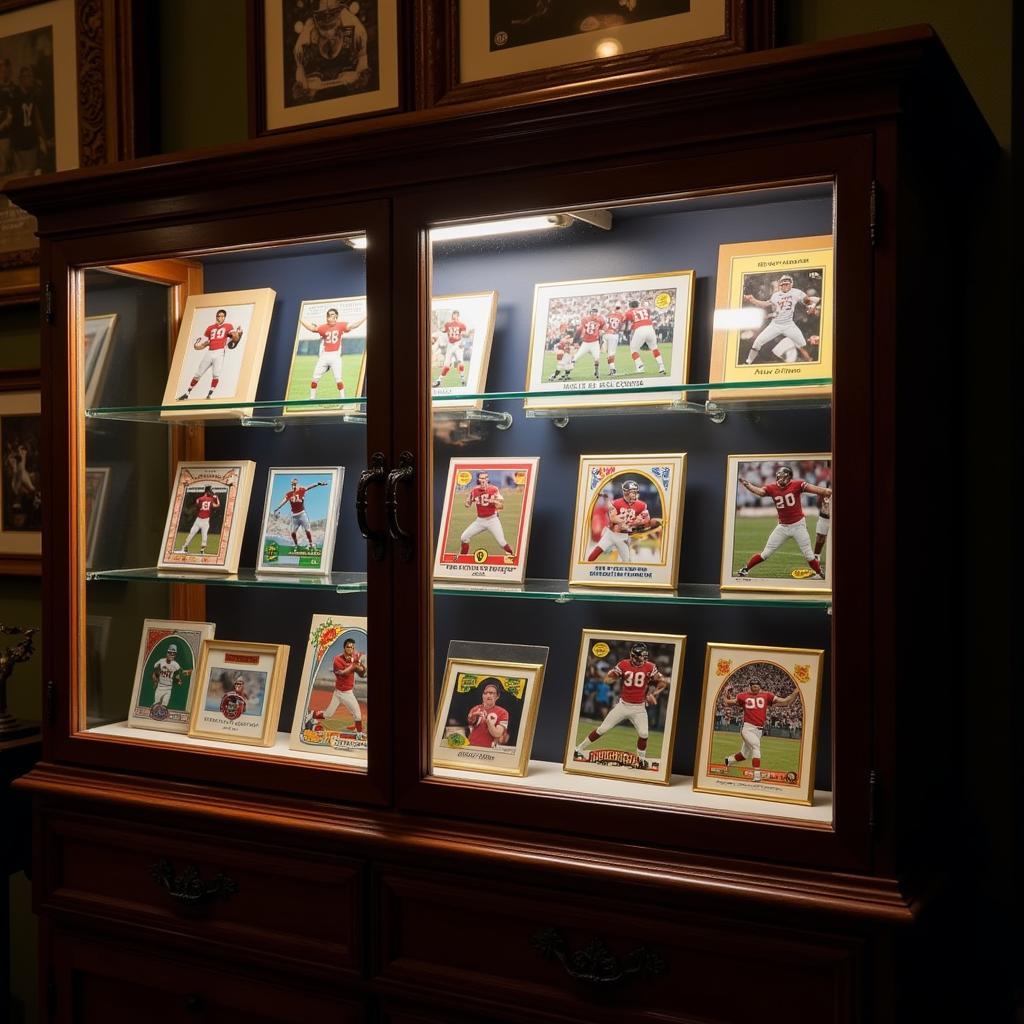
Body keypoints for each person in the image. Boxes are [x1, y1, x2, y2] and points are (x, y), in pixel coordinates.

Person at [574, 642, 668, 769]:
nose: (643, 659)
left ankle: (641, 760)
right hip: (623, 705)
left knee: (644, 734)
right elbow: (608, 679)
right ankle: (578, 749)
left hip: (639, 708)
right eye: (641, 657)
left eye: (645, 657)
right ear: (634, 656)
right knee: (602, 729)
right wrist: (613, 676)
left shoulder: (650, 666)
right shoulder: (623, 664)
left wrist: (654, 693)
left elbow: (662, 682)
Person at [735, 465, 830, 580]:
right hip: (783, 527)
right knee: (766, 553)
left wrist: (825, 491)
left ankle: (820, 573)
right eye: (779, 477)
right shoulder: (772, 487)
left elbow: (815, 489)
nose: (780, 479)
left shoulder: (797, 484)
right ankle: (746, 569)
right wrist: (748, 485)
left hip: (798, 526)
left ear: (789, 477)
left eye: (783, 477)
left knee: (809, 555)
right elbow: (760, 492)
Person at [721, 678, 800, 782]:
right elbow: (727, 703)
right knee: (756, 746)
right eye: (753, 685)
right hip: (748, 728)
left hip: (759, 730)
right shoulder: (742, 696)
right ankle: (757, 775)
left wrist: (796, 692)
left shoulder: (766, 695)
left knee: (745, 755)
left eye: (757, 684)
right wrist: (725, 693)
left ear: (760, 686)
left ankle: (728, 760)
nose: (755, 686)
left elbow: (786, 702)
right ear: (749, 686)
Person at [293, 0, 369, 101]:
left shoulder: (352, 31)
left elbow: (362, 59)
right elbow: (300, 74)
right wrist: (305, 88)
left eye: (331, 17)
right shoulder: (305, 42)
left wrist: (358, 76)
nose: (328, 33)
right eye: (324, 28)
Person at [742, 274, 819, 364]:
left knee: (803, 344)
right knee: (757, 342)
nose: (785, 286)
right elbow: (765, 304)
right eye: (783, 284)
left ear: (791, 284)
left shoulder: (796, 292)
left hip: (789, 324)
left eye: (787, 284)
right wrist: (753, 300)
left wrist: (811, 306)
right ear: (780, 285)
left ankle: (810, 362)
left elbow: (807, 300)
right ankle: (748, 362)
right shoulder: (775, 295)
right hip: (775, 324)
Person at [586, 479, 659, 564]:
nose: (634, 495)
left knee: (626, 560)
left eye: (635, 492)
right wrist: (622, 522)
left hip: (624, 536)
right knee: (596, 552)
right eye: (632, 492)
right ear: (625, 492)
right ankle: (585, 568)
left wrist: (640, 522)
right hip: (612, 533)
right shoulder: (616, 503)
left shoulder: (642, 505)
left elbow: (647, 519)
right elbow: (613, 518)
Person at [300, 307, 365, 401]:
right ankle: (312, 398)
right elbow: (312, 328)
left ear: (336, 316)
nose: (329, 317)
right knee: (315, 378)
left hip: (335, 356)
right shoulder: (323, 327)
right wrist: (301, 319)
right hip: (324, 356)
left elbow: (354, 325)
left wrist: (365, 317)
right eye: (328, 315)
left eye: (331, 315)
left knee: (338, 379)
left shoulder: (341, 325)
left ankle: (343, 398)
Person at [177, 310, 241, 401]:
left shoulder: (228, 326)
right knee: (198, 373)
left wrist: (237, 334)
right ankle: (187, 393)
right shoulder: (210, 328)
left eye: (222, 316)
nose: (220, 318)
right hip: (210, 352)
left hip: (219, 352)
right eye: (218, 316)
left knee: (216, 374)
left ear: (224, 317)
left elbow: (235, 339)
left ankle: (209, 394)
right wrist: (196, 346)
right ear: (216, 316)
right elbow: (204, 344)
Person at [311, 637, 366, 734]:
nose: (351, 649)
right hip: (342, 693)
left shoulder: (354, 656)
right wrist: (355, 664)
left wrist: (361, 660)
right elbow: (345, 673)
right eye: (348, 647)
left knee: (354, 714)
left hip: (345, 691)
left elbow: (362, 667)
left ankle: (357, 730)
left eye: (352, 648)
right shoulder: (337, 659)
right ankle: (360, 733)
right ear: (344, 647)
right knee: (355, 715)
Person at [458, 471, 515, 559]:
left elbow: (501, 506)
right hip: (479, 521)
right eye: (482, 478)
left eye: (485, 477)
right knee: (464, 537)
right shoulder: (474, 490)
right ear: (478, 479)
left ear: (488, 479)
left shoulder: (494, 489)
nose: (484, 480)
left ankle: (512, 555)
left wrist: (495, 501)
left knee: (502, 542)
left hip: (492, 520)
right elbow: (467, 505)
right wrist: (468, 502)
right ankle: (462, 557)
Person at [10, 66, 48, 175]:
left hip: (31, 142)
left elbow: (36, 119)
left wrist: (43, 139)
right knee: (21, 175)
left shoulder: (32, 95)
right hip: (19, 145)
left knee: (31, 174)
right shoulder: (14, 96)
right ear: (21, 78)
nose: (31, 79)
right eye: (29, 76)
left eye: (32, 76)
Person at [273, 477, 328, 551]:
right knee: (293, 533)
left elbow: (310, 487)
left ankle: (311, 543)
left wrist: (318, 483)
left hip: (302, 514)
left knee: (307, 530)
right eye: (292, 484)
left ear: (297, 484)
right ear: (291, 485)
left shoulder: (302, 490)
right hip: (294, 516)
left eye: (295, 484)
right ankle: (296, 545)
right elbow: (284, 501)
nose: (294, 486)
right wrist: (277, 508)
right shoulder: (289, 494)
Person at [176, 486, 220, 556]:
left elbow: (198, 504)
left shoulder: (200, 498)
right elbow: (217, 505)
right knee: (204, 535)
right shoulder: (211, 499)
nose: (211, 493)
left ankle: (184, 547)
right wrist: (216, 497)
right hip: (205, 520)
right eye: (210, 491)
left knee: (192, 534)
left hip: (198, 519)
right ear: (208, 492)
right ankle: (202, 550)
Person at [432, 309, 470, 387]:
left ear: (458, 316)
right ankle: (439, 380)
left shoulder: (461, 325)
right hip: (450, 345)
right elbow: (443, 331)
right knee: (447, 364)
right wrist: (438, 330)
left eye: (456, 314)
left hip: (458, 344)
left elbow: (463, 334)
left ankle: (462, 379)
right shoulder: (448, 324)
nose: (454, 316)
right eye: (453, 314)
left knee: (461, 363)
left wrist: (465, 337)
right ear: (452, 315)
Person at [466, 679, 509, 748]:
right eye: (485, 693)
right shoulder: (475, 709)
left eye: (491, 693)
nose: (488, 695)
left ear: (497, 696)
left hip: (489, 750)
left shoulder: (503, 712)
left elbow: (497, 734)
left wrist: (488, 721)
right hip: (471, 746)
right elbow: (470, 724)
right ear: (482, 696)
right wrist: (473, 716)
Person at [150, 643, 185, 711]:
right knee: (156, 705)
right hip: (160, 687)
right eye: (170, 653)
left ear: (175, 655)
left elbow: (177, 675)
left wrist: (179, 680)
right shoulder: (161, 661)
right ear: (167, 653)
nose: (171, 655)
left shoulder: (176, 665)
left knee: (164, 706)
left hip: (168, 688)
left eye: (173, 654)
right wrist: (155, 679)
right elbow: (155, 670)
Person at [575, 306, 606, 379]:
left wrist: (602, 331)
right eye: (593, 312)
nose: (594, 313)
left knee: (597, 359)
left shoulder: (599, 320)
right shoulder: (585, 319)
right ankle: (567, 373)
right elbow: (581, 329)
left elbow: (603, 327)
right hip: (586, 342)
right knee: (576, 357)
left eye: (595, 312)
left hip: (595, 342)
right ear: (590, 313)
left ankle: (596, 371)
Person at [602, 304, 626, 376]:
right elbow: (623, 328)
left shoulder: (609, 315)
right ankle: (612, 369)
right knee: (611, 353)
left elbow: (605, 325)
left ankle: (611, 369)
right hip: (613, 335)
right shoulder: (622, 316)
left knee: (608, 353)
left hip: (605, 335)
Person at [0, 59, 15, 176]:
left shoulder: (15, 88)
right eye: (1, 68)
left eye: (5, 68)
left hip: (11, 135)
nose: (3, 71)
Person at [814, 492, 831, 563]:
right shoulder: (826, 491)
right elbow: (818, 503)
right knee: (820, 536)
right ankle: (816, 555)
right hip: (824, 517)